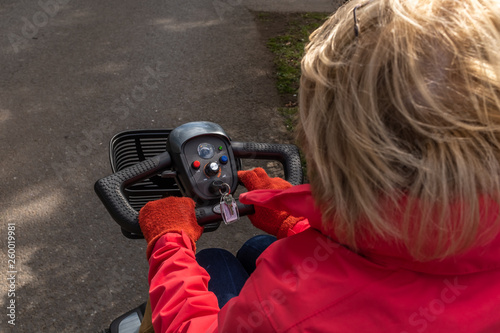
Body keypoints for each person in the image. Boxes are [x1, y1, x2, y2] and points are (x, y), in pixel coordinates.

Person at [138, 0, 500, 331]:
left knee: (215, 260)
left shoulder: (286, 312)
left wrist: (169, 242)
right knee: (259, 246)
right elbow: (406, 260)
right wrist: (302, 223)